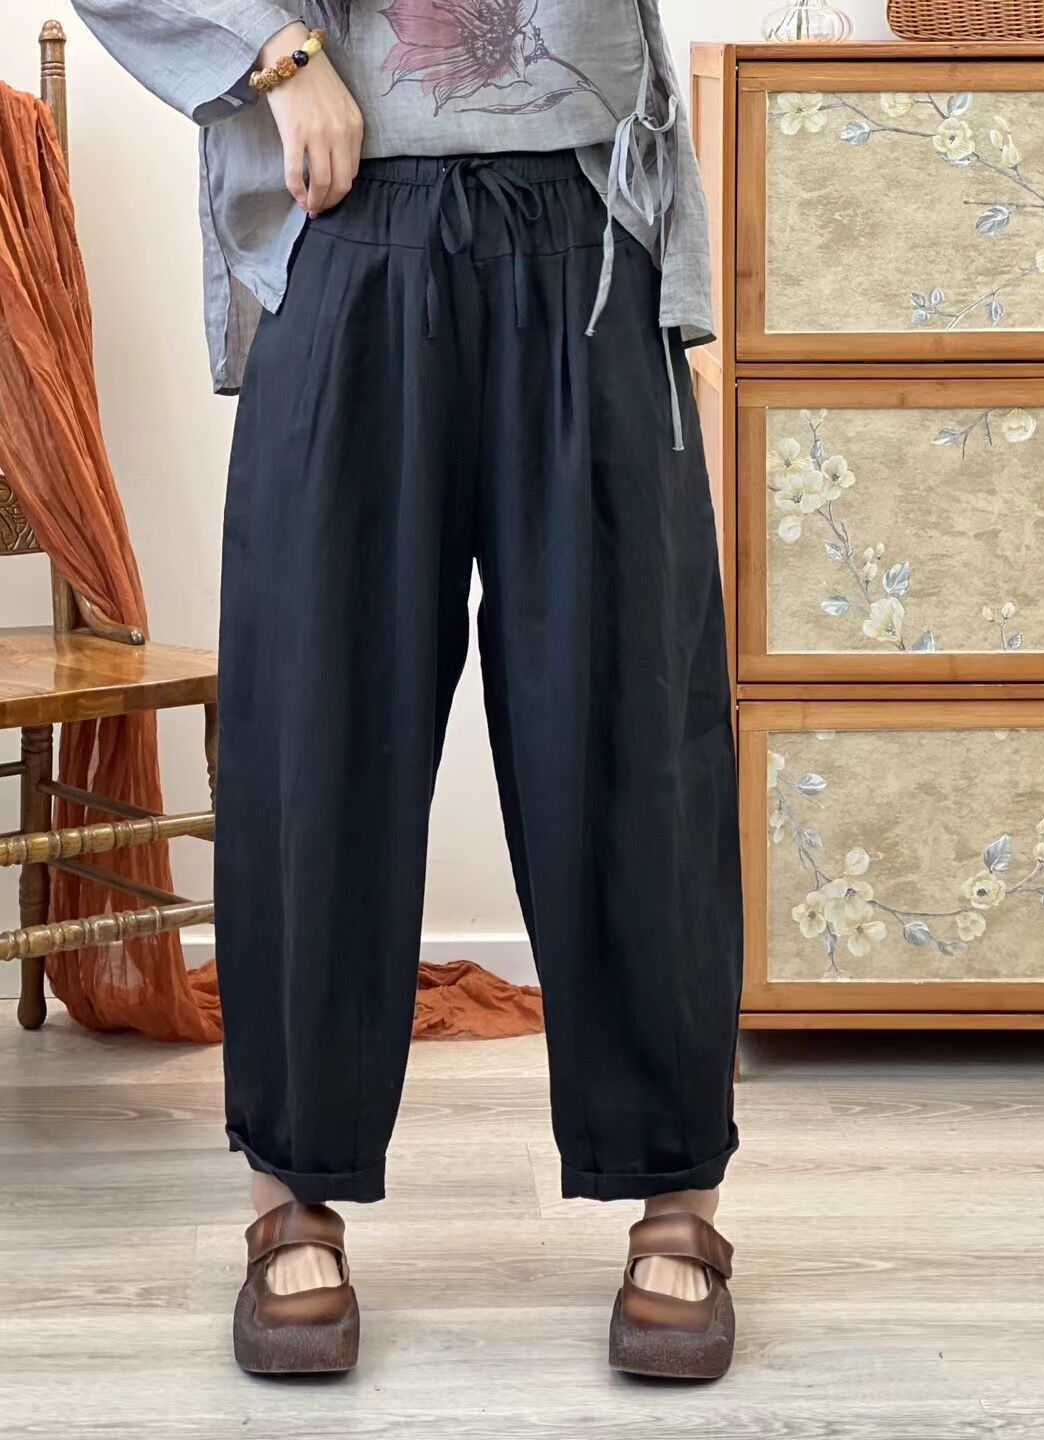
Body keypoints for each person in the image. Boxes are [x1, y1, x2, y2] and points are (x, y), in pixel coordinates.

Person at [72, 0, 744, 1381]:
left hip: (590, 223)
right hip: (350, 227)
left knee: (631, 725)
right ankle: (291, 1193)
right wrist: (282, 55)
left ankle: (675, 1190)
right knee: (315, 724)